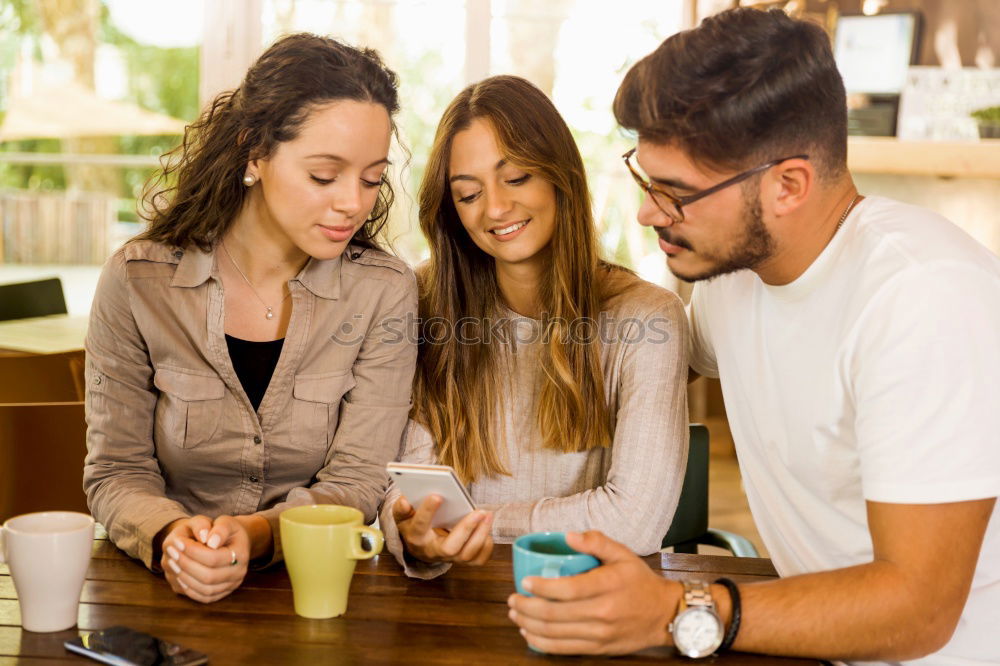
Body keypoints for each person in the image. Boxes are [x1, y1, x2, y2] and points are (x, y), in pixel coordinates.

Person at [507, 9, 1000, 664]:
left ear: (788, 185)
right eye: (644, 177)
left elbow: (920, 608)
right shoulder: (734, 280)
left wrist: (676, 611)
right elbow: (640, 365)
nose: (648, 211)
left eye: (675, 191)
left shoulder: (923, 300)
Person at [83, 33, 417, 604]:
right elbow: (116, 471)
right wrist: (171, 536)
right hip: (164, 584)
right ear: (254, 152)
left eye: (371, 178)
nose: (353, 204)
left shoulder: (383, 291)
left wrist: (260, 535)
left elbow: (359, 479)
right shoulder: (140, 280)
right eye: (323, 175)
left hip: (318, 588)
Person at [378, 75, 689, 578]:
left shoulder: (646, 319)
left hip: (587, 605)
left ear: (559, 175)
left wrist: (478, 523)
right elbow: (411, 485)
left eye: (517, 177)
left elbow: (635, 522)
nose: (496, 208)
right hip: (457, 607)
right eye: (468, 194)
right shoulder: (423, 304)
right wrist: (413, 530)